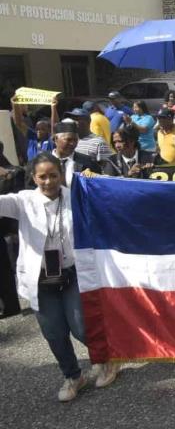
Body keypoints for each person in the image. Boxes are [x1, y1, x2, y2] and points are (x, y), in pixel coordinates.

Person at [0, 152, 119, 402]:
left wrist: (97, 178)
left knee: (81, 327)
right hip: (41, 281)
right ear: (33, 178)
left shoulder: (75, 197)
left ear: (60, 175)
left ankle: (107, 361)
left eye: (53, 175)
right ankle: (73, 376)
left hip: (71, 275)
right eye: (42, 177)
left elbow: (111, 200)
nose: (48, 182)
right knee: (53, 333)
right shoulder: (23, 201)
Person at [47, 122, 101, 186]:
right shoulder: (42, 162)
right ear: (55, 139)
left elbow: (98, 185)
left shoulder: (87, 162)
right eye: (68, 140)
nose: (73, 144)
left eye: (75, 140)